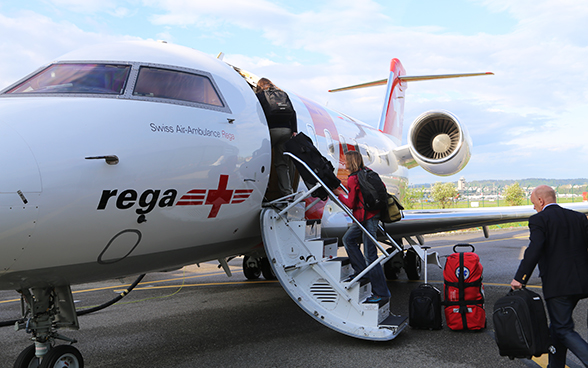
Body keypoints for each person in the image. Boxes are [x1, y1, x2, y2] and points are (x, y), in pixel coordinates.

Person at [511, 185, 588, 367]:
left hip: (559, 286)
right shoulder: (578, 217)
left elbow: (534, 249)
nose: (534, 208)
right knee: (557, 326)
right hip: (582, 283)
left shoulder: (540, 219)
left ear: (541, 201)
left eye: (533, 203)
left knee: (562, 328)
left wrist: (520, 277)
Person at [336, 151, 391, 303]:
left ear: (350, 161)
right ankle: (362, 271)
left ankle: (382, 293)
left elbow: (350, 204)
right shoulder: (368, 172)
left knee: (371, 256)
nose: (344, 163)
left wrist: (338, 194)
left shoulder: (354, 178)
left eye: (346, 160)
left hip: (366, 219)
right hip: (370, 216)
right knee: (348, 239)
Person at [255, 78, 297, 198]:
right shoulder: (283, 94)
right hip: (286, 131)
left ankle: (261, 192)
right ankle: (287, 192)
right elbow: (293, 113)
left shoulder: (260, 95)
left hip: (271, 131)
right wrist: (294, 130)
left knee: (261, 159)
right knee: (282, 164)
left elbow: (258, 113)